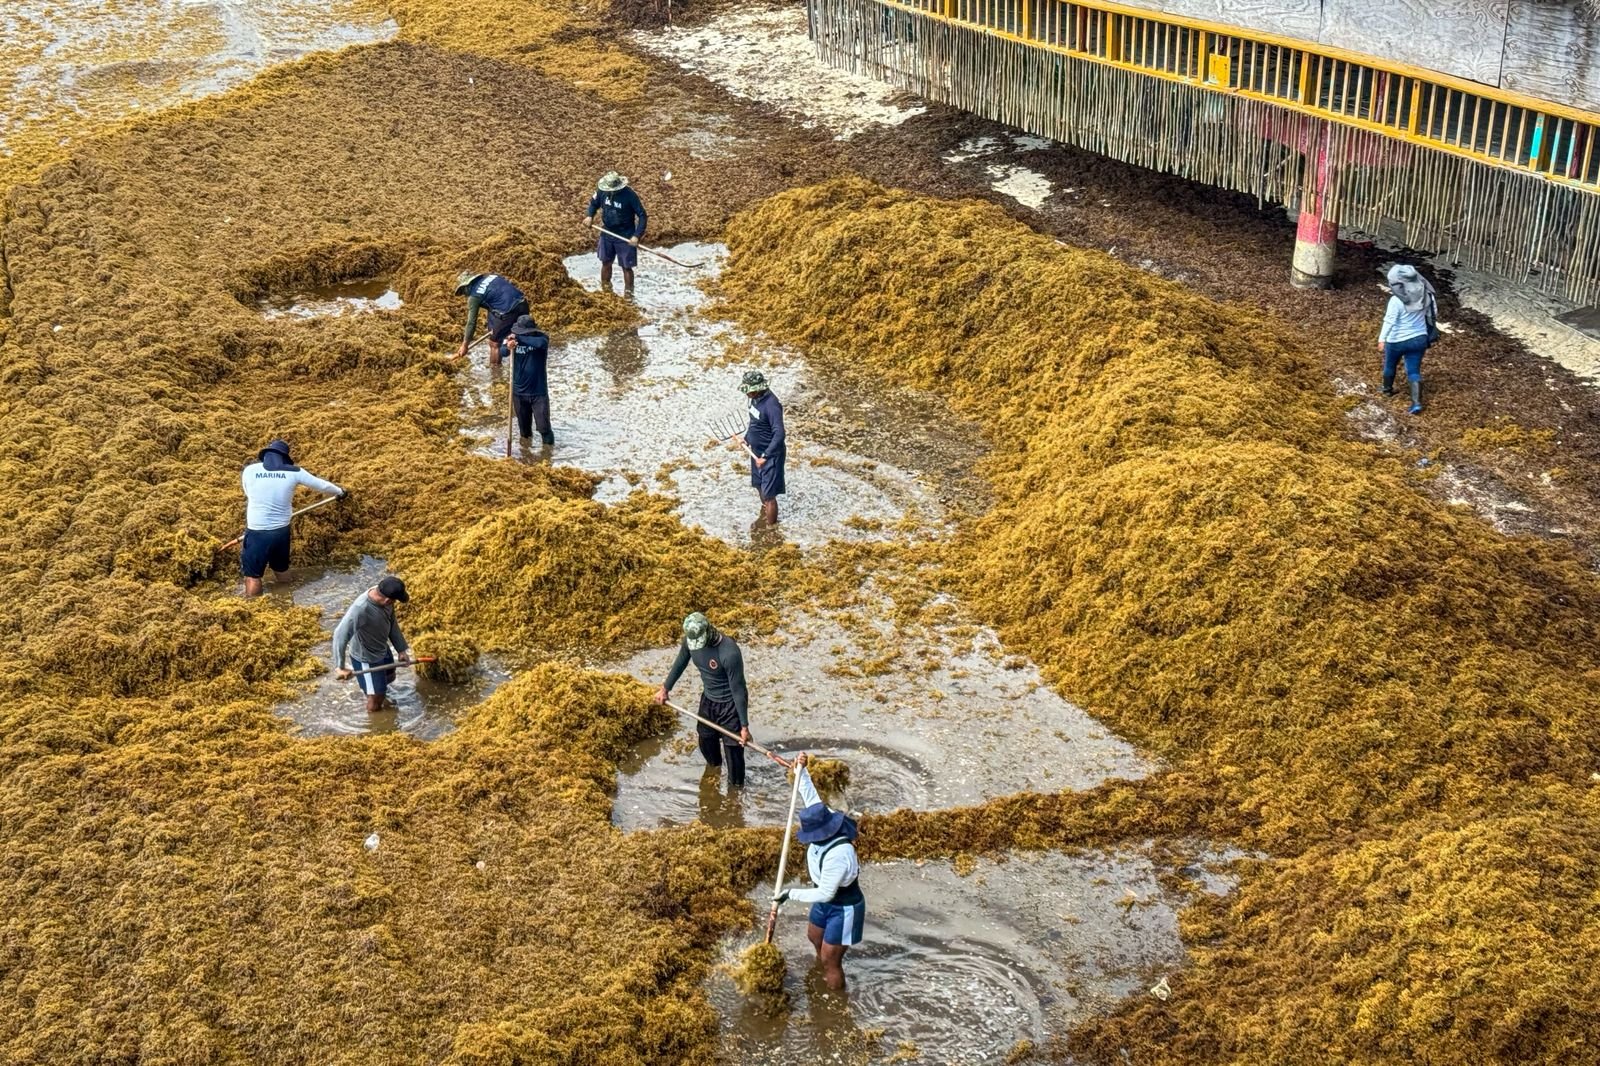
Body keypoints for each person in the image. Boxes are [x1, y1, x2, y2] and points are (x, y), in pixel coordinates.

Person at [773, 753, 864, 991]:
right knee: (814, 935)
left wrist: (790, 894)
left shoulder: (839, 854)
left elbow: (825, 893)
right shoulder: (819, 817)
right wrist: (801, 769)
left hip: (843, 906)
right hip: (825, 900)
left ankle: (836, 999)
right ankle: (822, 966)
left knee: (831, 960)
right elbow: (808, 793)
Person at [652, 612, 752, 787]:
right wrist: (665, 689)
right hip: (708, 701)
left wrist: (744, 726)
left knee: (734, 758)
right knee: (706, 741)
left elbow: (738, 690)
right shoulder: (691, 641)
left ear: (708, 630)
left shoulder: (729, 652)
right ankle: (713, 773)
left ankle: (735, 797)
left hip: (730, 706)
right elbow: (680, 662)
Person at [239, 439, 344, 598]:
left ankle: (253, 606)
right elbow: (322, 485)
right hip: (282, 531)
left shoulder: (250, 470)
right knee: (281, 568)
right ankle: (287, 595)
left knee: (253, 576)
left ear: (266, 455)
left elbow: (248, 493)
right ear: (284, 458)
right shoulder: (295, 472)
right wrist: (340, 491)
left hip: (257, 531)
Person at [332, 576, 412, 714]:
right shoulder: (360, 609)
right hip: (367, 657)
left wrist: (401, 650)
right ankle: (374, 719)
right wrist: (340, 666)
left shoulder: (384, 596)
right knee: (376, 699)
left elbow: (392, 623)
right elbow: (340, 635)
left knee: (390, 677)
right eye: (394, 601)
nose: (394, 603)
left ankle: (375, 688)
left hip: (381, 647)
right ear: (388, 600)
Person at [1379, 263, 1439, 415]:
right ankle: (1416, 403)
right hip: (1419, 339)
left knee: (1390, 365)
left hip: (1396, 340)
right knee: (1413, 371)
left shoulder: (1396, 301)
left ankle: (1387, 390)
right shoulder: (1427, 295)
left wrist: (1382, 339)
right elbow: (1433, 314)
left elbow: (1389, 321)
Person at [583, 171, 648, 296]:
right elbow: (593, 203)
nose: (610, 192)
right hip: (607, 232)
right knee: (606, 262)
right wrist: (590, 216)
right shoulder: (602, 191)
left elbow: (642, 216)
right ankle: (606, 290)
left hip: (625, 235)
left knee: (626, 267)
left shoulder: (629, 195)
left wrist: (636, 235)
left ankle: (629, 294)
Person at [454, 271, 529, 366]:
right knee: (517, 335)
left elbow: (471, 322)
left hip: (509, 311)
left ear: (468, 285)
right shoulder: (491, 276)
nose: (465, 295)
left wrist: (465, 345)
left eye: (463, 291)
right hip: (523, 304)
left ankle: (495, 374)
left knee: (494, 344)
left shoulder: (474, 296)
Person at [740, 370, 786, 526]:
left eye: (750, 391)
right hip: (755, 451)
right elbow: (754, 422)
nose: (747, 394)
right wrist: (747, 438)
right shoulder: (754, 399)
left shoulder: (772, 405)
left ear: (759, 388)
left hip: (770, 455)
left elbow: (779, 434)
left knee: (769, 495)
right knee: (758, 485)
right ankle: (764, 511)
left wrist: (765, 456)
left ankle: (771, 528)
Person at [506, 314, 554, 447]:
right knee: (525, 432)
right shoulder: (513, 339)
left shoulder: (541, 338)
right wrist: (509, 346)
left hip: (538, 393)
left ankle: (548, 455)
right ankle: (526, 455)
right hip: (519, 393)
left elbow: (541, 344)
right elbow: (503, 351)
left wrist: (520, 339)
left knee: (544, 428)